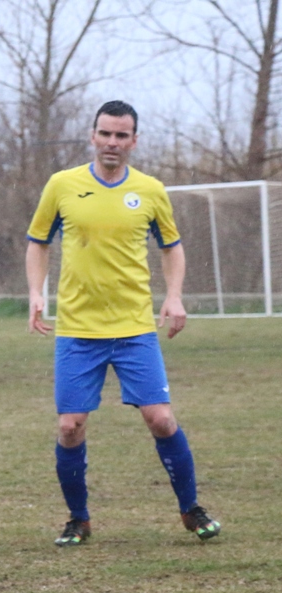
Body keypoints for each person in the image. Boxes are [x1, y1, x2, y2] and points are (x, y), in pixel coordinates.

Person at [25, 100, 222, 548]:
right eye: (105, 134)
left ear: (134, 140)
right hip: (77, 330)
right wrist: (37, 292)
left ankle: (191, 509)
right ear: (92, 135)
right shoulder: (62, 185)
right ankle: (79, 519)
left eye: (121, 135)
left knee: (162, 419)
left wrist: (173, 297)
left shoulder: (150, 190)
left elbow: (172, 247)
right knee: (70, 426)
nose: (112, 143)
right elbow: (38, 242)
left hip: (134, 329)